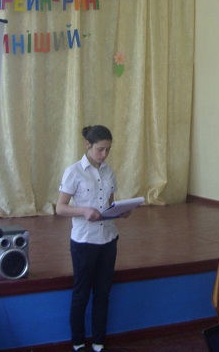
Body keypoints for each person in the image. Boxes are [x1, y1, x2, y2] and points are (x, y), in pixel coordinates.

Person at [56, 125, 129, 352]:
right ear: (87, 145)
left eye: (108, 150)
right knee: (81, 293)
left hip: (108, 239)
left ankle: (99, 342)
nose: (104, 154)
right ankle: (78, 342)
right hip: (84, 242)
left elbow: (109, 204)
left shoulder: (109, 172)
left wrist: (121, 211)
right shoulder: (74, 171)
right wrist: (83, 211)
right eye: (100, 149)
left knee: (103, 293)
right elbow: (60, 207)